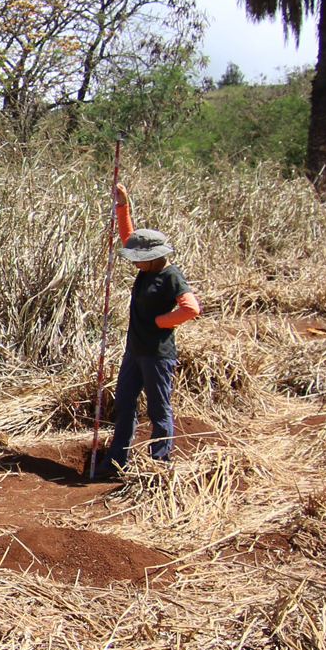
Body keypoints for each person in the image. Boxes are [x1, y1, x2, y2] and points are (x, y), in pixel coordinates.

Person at [96, 184, 201, 475]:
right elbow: (129, 238)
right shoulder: (147, 267)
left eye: (140, 258)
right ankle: (116, 461)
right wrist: (122, 206)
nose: (135, 262)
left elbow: (191, 308)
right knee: (125, 405)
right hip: (134, 351)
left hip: (157, 354)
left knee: (158, 409)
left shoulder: (170, 275)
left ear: (156, 255)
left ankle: (159, 465)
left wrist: (159, 322)